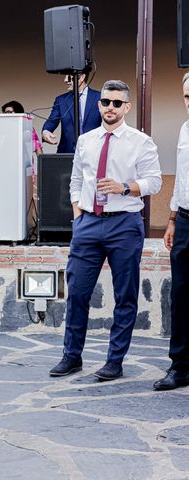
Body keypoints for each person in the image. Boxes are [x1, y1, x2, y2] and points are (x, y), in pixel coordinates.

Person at [49, 80, 162, 381]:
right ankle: (72, 356)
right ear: (99, 105)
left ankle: (115, 361)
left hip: (124, 223)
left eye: (116, 103)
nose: (110, 107)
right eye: (106, 102)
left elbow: (154, 182)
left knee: (125, 295)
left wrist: (124, 187)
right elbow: (75, 180)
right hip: (87, 223)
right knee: (77, 294)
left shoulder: (141, 141)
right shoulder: (86, 140)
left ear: (126, 107)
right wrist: (78, 215)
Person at [154, 72, 189, 391]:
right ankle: (180, 366)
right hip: (187, 221)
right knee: (180, 294)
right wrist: (173, 219)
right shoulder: (184, 129)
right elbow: (182, 177)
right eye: (187, 97)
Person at [42, 67, 102, 153]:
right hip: (67, 153)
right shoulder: (61, 100)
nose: (65, 80)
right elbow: (52, 120)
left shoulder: (99, 98)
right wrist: (46, 131)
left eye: (69, 76)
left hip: (94, 153)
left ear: (81, 77)